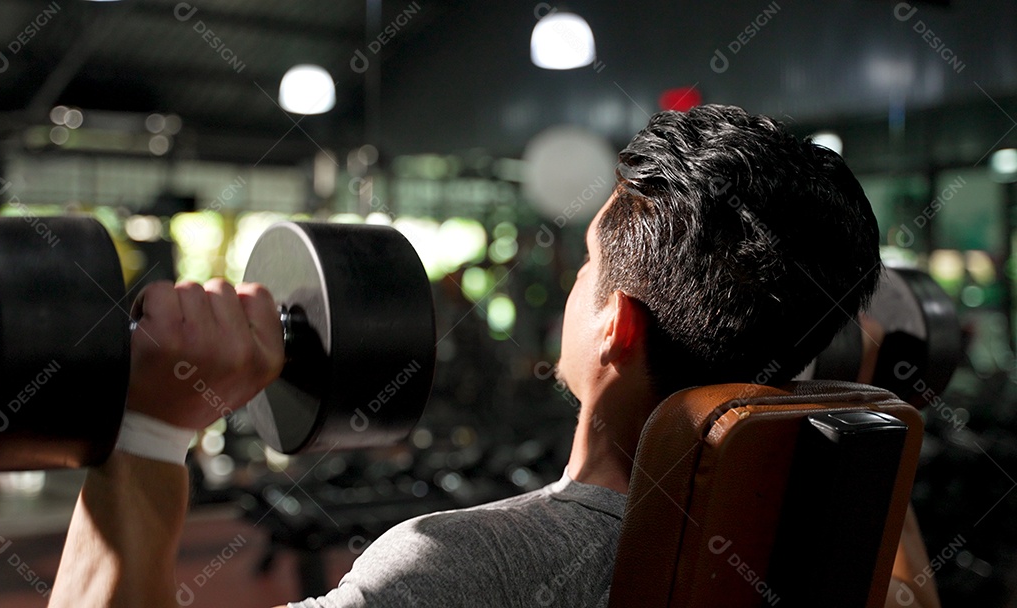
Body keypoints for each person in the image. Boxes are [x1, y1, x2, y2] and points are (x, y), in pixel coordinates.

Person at [49, 105, 940, 608]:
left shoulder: (462, 569)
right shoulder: (832, 550)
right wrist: (849, 404)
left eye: (585, 267)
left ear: (615, 325)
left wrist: (149, 427)